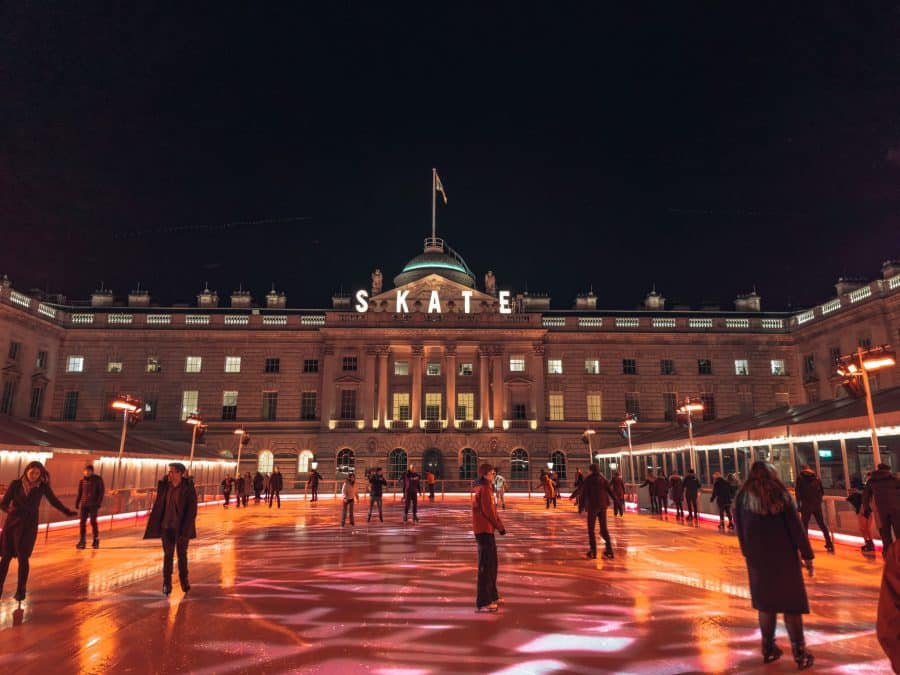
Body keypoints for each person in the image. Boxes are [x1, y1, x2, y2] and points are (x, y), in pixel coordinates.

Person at [734, 461, 815, 669]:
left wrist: (748, 554)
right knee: (791, 606)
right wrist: (807, 555)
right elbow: (795, 527)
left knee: (765, 605)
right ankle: (800, 652)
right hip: (784, 558)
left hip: (758, 561)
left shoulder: (743, 498)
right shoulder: (781, 495)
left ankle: (768, 648)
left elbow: (740, 531)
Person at [0, 461, 76, 602]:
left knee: (23, 558)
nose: (34, 475)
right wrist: (9, 510)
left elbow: (54, 501)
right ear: (26, 471)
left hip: (28, 526)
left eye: (37, 473)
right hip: (12, 524)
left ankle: (21, 590)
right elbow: (3, 503)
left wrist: (67, 511)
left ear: (40, 474)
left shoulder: (42, 487)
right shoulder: (15, 484)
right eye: (32, 472)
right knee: (5, 558)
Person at [143, 462, 198, 596]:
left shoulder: (188, 488)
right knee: (168, 556)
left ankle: (184, 581)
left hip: (181, 528)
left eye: (173, 471)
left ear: (180, 473)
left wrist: (186, 530)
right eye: (169, 471)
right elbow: (159, 506)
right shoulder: (165, 487)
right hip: (166, 527)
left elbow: (192, 510)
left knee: (182, 555)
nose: (170, 474)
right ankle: (166, 583)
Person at [472, 463, 505, 612]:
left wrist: (498, 525)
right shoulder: (484, 489)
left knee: (492, 564)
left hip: (487, 529)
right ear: (484, 474)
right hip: (484, 529)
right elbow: (488, 511)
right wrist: (500, 526)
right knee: (486, 566)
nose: (493, 475)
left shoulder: (486, 488)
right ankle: (483, 601)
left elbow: (492, 510)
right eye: (491, 473)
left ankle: (492, 594)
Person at [795, 464, 835, 553]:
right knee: (822, 524)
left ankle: (805, 545)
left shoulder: (800, 478)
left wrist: (798, 505)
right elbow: (822, 491)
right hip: (816, 505)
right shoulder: (816, 477)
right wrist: (818, 501)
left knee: (804, 525)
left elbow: (798, 492)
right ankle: (829, 543)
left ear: (802, 470)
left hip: (806, 504)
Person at [863, 463, 899, 557]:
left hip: (882, 510)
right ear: (888, 470)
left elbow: (865, 496)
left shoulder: (872, 481)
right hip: (896, 509)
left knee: (885, 533)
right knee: (898, 532)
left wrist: (866, 509)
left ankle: (888, 554)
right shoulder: (894, 479)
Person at [582, 463, 616, 559]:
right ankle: (609, 550)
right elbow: (610, 491)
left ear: (591, 470)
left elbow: (584, 493)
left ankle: (593, 551)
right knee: (604, 529)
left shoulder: (588, 480)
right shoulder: (603, 479)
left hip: (593, 506)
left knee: (591, 529)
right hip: (603, 506)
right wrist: (616, 501)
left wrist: (581, 505)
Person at [75, 464, 105, 549]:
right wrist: (77, 503)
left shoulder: (97, 480)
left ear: (92, 471)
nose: (87, 472)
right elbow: (80, 493)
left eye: (88, 471)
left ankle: (96, 539)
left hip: (93, 504)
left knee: (93, 521)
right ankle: (82, 540)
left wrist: (98, 503)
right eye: (85, 471)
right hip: (84, 504)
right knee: (82, 523)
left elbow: (101, 492)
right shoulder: (82, 481)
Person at [847, 473, 875, 553]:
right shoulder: (870, 486)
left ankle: (869, 544)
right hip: (867, 509)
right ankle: (870, 544)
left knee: (864, 528)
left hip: (864, 508)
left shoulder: (868, 487)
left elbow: (867, 495)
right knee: (865, 528)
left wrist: (857, 492)